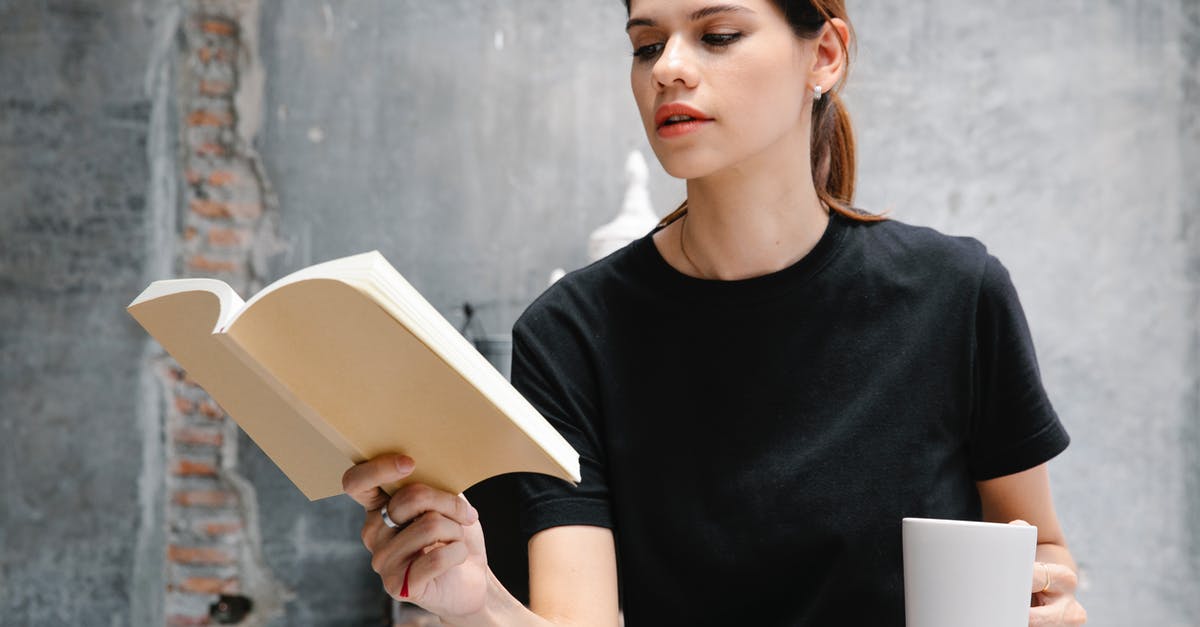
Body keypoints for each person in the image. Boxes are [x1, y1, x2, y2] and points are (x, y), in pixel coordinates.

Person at [342, 1, 1089, 625]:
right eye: (645, 44)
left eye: (718, 35)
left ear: (824, 55)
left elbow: (1041, 550)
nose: (668, 66)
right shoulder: (570, 334)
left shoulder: (957, 294)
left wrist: (1049, 601)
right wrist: (477, 607)